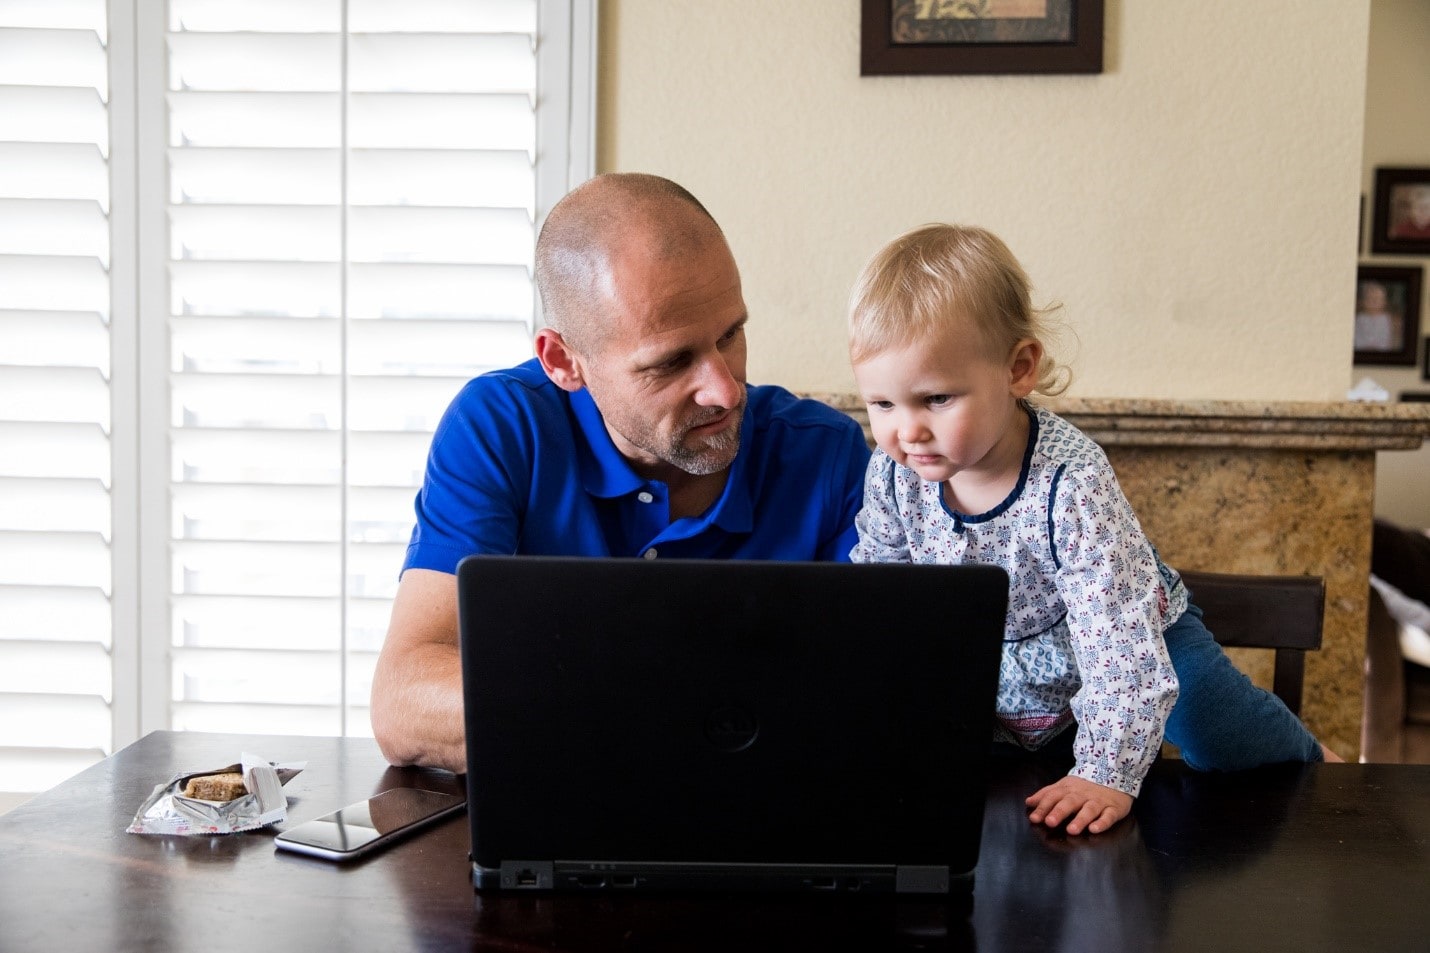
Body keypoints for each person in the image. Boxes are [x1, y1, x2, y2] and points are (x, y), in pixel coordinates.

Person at [845, 223, 1338, 836]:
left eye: (937, 399)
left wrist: (1107, 770)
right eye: (883, 405)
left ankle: (1312, 763)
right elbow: (886, 596)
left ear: (1018, 368)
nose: (906, 431)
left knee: (1209, 721)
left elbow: (1117, 634)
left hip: (1123, 630)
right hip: (996, 649)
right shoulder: (892, 475)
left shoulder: (1071, 481)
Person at [369, 173, 870, 773]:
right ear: (563, 362)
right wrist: (699, 703)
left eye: (731, 334)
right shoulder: (499, 426)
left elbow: (874, 699)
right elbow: (404, 704)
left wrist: (577, 699)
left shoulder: (826, 453)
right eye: (671, 361)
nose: (725, 389)